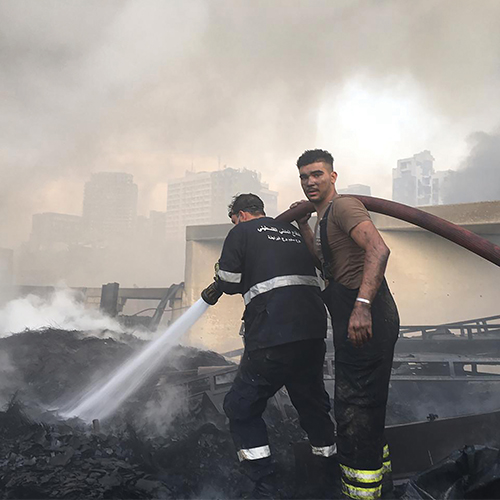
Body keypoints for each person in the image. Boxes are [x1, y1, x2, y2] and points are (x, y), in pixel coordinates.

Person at [201, 193, 336, 499]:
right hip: (313, 332)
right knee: (312, 404)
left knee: (241, 407)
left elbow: (230, 280)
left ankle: (264, 486)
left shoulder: (242, 232)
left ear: (241, 215)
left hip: (272, 334)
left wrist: (219, 274)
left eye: (233, 219)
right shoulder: (292, 231)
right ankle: (326, 476)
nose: (233, 224)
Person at [293, 149, 399, 500]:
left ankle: (362, 494)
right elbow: (326, 264)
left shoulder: (344, 206)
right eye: (304, 176)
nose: (310, 181)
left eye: (317, 174)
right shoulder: (324, 218)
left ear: (332, 177)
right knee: (363, 404)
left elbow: (378, 250)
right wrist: (303, 227)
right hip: (352, 313)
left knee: (356, 407)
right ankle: (381, 483)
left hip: (367, 315)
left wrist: (362, 306)